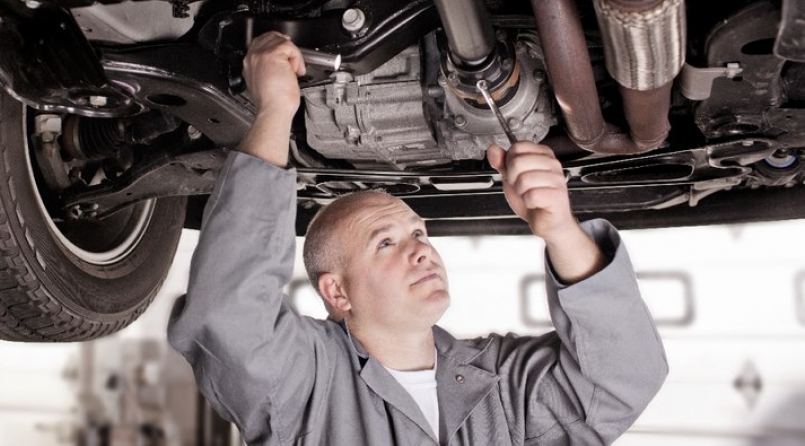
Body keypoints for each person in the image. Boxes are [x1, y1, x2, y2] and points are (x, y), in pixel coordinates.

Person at [168, 31, 668, 445]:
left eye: (418, 232)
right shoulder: (309, 379)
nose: (421, 249)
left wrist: (561, 230)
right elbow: (228, 317)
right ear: (336, 292)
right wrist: (275, 111)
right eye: (385, 242)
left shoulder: (498, 384)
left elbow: (623, 379)